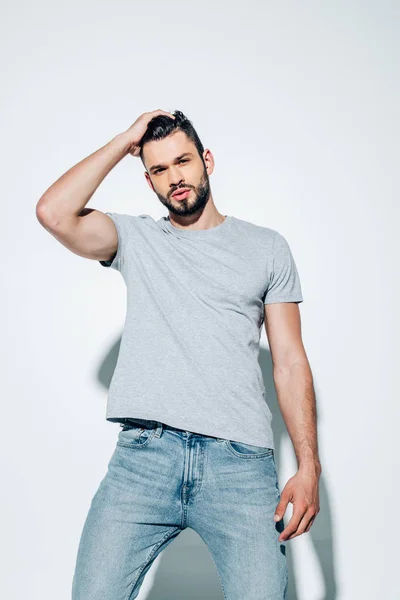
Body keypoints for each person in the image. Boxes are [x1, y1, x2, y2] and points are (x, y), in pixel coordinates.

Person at [36, 109, 321, 599]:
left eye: (183, 162)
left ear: (206, 161)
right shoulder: (136, 239)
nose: (176, 178)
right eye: (159, 170)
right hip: (144, 461)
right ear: (148, 181)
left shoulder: (267, 248)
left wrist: (309, 464)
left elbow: (290, 361)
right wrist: (125, 139)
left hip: (240, 466)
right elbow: (53, 213)